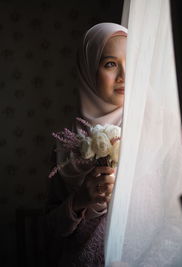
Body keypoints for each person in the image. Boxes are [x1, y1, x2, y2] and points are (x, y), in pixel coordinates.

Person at [45, 22, 128, 267]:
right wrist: (81, 199)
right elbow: (51, 228)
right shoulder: (67, 143)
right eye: (110, 64)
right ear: (88, 69)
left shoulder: (153, 129)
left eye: (131, 62)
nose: (124, 75)